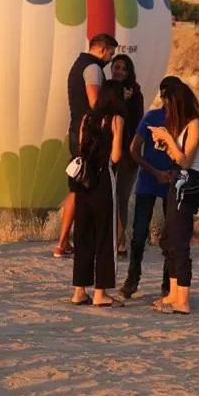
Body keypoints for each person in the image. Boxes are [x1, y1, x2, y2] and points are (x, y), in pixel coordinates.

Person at [148, 80, 199, 315]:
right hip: (179, 184)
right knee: (170, 239)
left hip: (189, 186)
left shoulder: (195, 125)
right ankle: (173, 295)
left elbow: (185, 160)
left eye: (168, 104)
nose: (166, 109)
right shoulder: (185, 126)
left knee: (180, 242)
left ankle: (182, 299)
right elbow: (179, 157)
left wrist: (168, 138)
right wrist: (164, 144)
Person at [54, 34, 118, 258]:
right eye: (110, 54)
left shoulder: (78, 64)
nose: (110, 59)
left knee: (77, 185)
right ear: (102, 50)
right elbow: (94, 102)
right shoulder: (93, 68)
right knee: (84, 186)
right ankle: (68, 241)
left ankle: (63, 243)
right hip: (87, 135)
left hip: (76, 131)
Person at [118, 75, 180, 302]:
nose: (169, 101)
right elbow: (134, 150)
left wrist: (174, 172)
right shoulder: (152, 117)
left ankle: (167, 282)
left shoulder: (184, 122)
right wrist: (154, 171)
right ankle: (132, 279)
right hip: (148, 181)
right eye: (166, 97)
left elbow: (190, 153)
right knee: (139, 233)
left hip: (173, 182)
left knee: (171, 234)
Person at [70, 83, 125, 307]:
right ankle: (100, 292)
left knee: (83, 235)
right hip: (103, 180)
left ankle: (79, 291)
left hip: (83, 183)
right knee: (105, 236)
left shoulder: (86, 119)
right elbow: (116, 156)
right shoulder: (115, 120)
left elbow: (80, 148)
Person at [108, 54, 145, 257]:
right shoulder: (107, 90)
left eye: (123, 68)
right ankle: (110, 241)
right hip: (108, 153)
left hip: (128, 156)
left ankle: (120, 245)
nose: (119, 71)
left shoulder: (135, 94)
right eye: (116, 67)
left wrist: (125, 101)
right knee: (108, 199)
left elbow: (135, 123)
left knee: (121, 198)